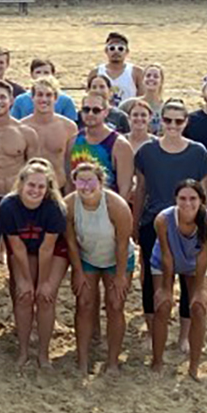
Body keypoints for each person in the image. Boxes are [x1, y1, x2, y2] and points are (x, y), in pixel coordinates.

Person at [131, 98, 207, 352]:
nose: (173, 125)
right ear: (160, 121)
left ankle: (184, 336)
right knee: (152, 280)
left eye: (179, 120)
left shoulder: (198, 152)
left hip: (189, 225)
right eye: (168, 120)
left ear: (186, 122)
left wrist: (203, 226)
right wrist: (135, 221)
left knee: (189, 279)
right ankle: (153, 331)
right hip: (153, 222)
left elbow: (203, 193)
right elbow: (141, 189)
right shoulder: (146, 152)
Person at [0, 158, 69, 369]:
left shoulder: (54, 207)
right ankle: (24, 351)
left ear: (47, 189)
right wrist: (27, 281)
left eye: (40, 186)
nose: (35, 190)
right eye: (31, 185)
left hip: (53, 251)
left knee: (45, 297)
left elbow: (47, 249)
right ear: (21, 184)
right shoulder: (8, 206)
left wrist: (43, 282)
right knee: (24, 295)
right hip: (24, 249)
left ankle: (44, 353)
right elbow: (16, 247)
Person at [64, 160, 135, 374]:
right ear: (74, 182)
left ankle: (112, 361)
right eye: (80, 181)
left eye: (90, 181)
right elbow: (70, 241)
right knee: (84, 303)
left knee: (115, 305)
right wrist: (77, 271)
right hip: (87, 257)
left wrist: (121, 276)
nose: (86, 186)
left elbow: (122, 243)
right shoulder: (69, 204)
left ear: (101, 182)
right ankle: (83, 360)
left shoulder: (116, 206)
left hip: (117, 258)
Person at [149, 180, 207, 379]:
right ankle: (157, 361)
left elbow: (204, 255)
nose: (187, 203)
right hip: (165, 261)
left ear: (201, 200)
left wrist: (199, 290)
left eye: (192, 199)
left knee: (198, 308)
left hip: (193, 263)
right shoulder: (163, 219)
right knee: (163, 305)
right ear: (175, 200)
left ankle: (194, 366)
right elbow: (166, 255)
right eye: (182, 198)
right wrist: (165, 288)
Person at [68, 92, 134, 192]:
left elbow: (125, 188)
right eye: (86, 110)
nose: (90, 114)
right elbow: (69, 183)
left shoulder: (119, 145)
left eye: (96, 110)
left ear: (106, 112)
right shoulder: (73, 141)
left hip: (108, 204)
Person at [21, 77, 77, 190]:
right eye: (40, 95)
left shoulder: (68, 127)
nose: (44, 99)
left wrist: (69, 190)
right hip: (29, 188)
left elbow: (71, 164)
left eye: (48, 95)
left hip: (58, 187)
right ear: (32, 97)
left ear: (55, 98)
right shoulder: (21, 127)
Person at [11, 60, 78, 122]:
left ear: (53, 75)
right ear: (31, 74)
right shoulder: (20, 100)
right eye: (38, 72)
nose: (42, 76)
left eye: (46, 73)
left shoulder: (66, 101)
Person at [89, 32, 142, 104]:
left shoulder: (136, 73)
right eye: (112, 48)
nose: (116, 51)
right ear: (106, 51)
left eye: (120, 48)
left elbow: (142, 99)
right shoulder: (96, 73)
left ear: (127, 51)